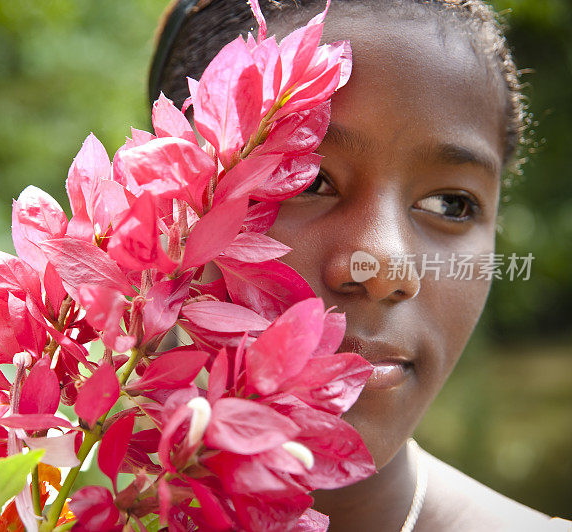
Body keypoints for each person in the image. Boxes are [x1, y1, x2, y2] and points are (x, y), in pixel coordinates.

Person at [150, 1, 570, 530]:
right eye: (306, 181)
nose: (387, 266)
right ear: (164, 187)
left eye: (451, 204)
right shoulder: (33, 495)